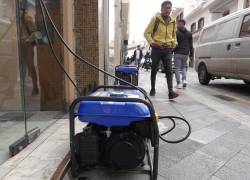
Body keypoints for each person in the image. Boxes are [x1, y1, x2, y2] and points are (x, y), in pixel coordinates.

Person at [144, 1, 178, 99]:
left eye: (169, 8)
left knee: (169, 71)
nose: (168, 10)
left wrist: (175, 43)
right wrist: (152, 42)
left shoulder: (173, 21)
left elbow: (174, 35)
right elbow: (146, 33)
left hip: (168, 49)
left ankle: (171, 92)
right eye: (166, 8)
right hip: (156, 49)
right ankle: (153, 88)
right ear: (162, 9)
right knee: (154, 69)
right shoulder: (155, 19)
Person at [174, 19, 193, 89]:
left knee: (177, 68)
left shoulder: (176, 33)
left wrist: (171, 51)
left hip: (178, 52)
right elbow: (191, 45)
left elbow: (174, 44)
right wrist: (191, 54)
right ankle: (184, 80)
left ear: (182, 24)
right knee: (183, 67)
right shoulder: (189, 33)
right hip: (185, 53)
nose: (177, 25)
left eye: (178, 24)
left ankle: (179, 83)